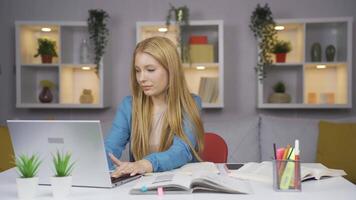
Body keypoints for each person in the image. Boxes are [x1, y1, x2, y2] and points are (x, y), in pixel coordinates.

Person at [105, 36, 205, 178]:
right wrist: (97, 165)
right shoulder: (129, 105)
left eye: (150, 70)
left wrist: (145, 164)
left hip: (179, 184)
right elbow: (111, 147)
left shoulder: (191, 103)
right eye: (138, 70)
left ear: (171, 71)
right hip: (141, 186)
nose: (141, 78)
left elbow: (182, 151)